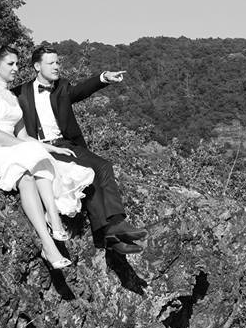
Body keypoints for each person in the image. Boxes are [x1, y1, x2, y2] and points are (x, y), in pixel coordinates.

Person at [0, 44, 95, 270]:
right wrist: (31, 148)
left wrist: (51, 149)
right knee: (28, 168)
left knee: (34, 166)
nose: (16, 68)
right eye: (10, 64)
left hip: (11, 143)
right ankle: (49, 239)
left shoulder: (12, 96)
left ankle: (52, 224)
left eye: (17, 63)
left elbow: (24, 135)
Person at [12, 44, 147, 255]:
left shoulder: (62, 87)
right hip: (41, 148)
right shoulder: (19, 92)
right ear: (37, 66)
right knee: (88, 176)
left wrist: (103, 77)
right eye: (51, 63)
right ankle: (108, 237)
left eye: (57, 62)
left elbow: (81, 90)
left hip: (66, 144)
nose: (56, 66)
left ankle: (116, 224)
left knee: (103, 166)